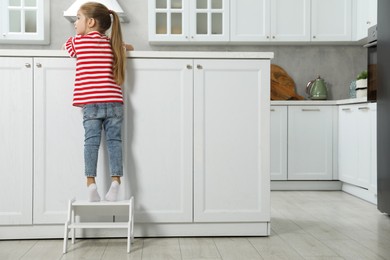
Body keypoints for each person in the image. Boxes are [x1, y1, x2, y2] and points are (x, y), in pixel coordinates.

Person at [64, 2, 134, 202]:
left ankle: (91, 184)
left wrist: (69, 41)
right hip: (114, 102)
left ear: (91, 22)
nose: (75, 23)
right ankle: (115, 182)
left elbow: (66, 47)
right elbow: (129, 47)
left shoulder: (78, 41)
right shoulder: (113, 43)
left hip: (91, 103)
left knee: (91, 143)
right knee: (114, 143)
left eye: (78, 18)